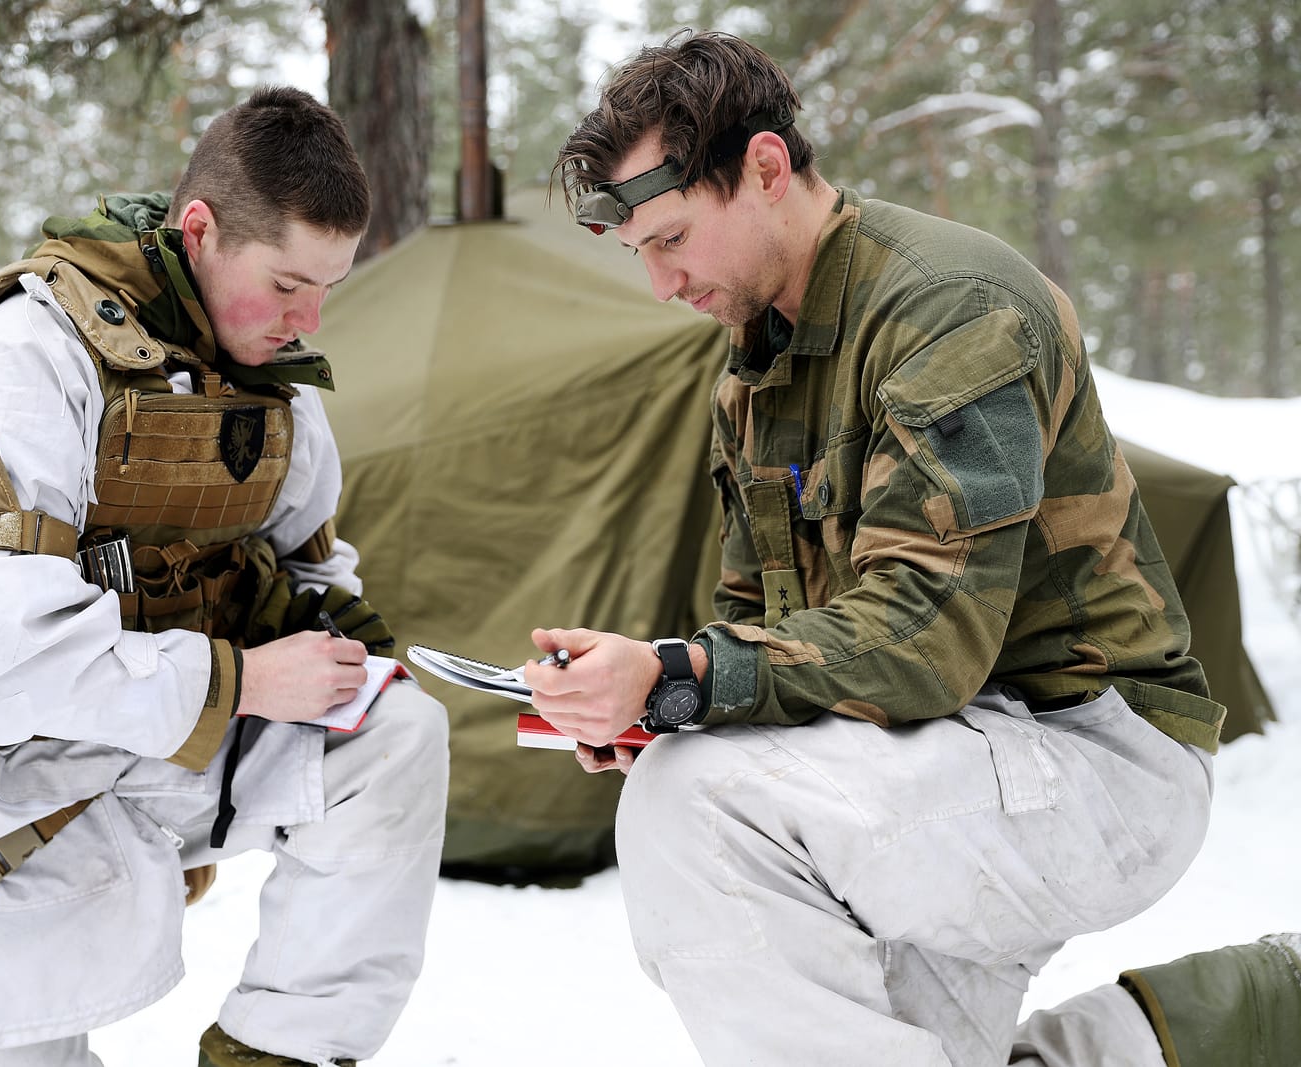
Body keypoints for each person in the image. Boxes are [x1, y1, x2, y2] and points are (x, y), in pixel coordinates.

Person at [526, 30, 1298, 1067]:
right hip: (929, 756)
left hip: (1093, 754)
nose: (662, 284)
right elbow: (762, 623)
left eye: (671, 239)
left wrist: (688, 676)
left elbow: (930, 635)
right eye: (640, 254)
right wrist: (666, 703)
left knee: (695, 809)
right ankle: (1251, 1011)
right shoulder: (754, 377)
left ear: (765, 168)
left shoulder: (947, 308)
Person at [0, 86, 449, 1067]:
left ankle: (275, 1053)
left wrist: (337, 635)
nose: (307, 318)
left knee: (391, 736)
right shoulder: (28, 352)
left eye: (326, 288)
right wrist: (241, 682)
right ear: (201, 231)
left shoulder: (264, 381)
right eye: (286, 283)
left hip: (156, 747)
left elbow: (310, 566)